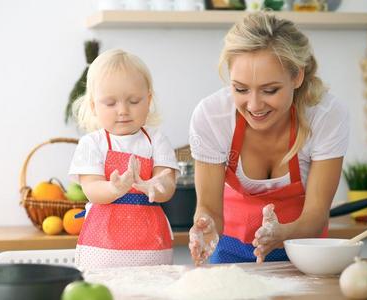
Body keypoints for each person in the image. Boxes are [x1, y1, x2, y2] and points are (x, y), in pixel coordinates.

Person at [188, 12, 349, 265]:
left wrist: (282, 235)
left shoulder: (325, 115)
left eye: (270, 90)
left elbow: (316, 216)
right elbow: (208, 208)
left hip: (303, 252)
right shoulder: (212, 116)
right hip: (229, 250)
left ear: (297, 76)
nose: (254, 105)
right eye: (240, 89)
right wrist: (205, 225)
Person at [69, 49, 179, 270]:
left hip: (151, 243)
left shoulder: (156, 140)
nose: (123, 110)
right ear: (93, 106)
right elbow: (91, 188)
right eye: (110, 103)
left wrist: (154, 186)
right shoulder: (92, 143)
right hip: (102, 246)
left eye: (134, 101)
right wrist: (113, 188)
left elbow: (167, 183)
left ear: (148, 100)